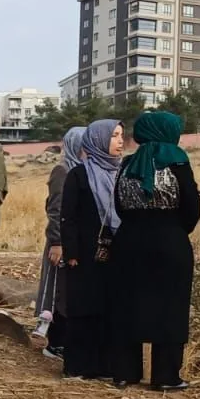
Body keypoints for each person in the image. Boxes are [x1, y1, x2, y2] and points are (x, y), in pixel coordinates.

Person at [107, 111, 200, 391]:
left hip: (128, 241)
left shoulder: (127, 164)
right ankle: (165, 376)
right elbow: (191, 209)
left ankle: (125, 372)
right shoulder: (178, 161)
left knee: (127, 305)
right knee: (170, 308)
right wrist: (172, 229)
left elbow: (119, 206)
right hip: (169, 242)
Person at [58, 119, 123, 380]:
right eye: (115, 136)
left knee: (109, 308)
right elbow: (68, 216)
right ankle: (78, 365)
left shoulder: (122, 172)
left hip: (115, 253)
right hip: (84, 254)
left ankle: (105, 366)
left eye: (121, 135)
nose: (120, 141)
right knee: (84, 308)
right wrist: (71, 252)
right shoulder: (79, 174)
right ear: (98, 139)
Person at [34, 126, 85, 356]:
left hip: (73, 240)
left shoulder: (82, 170)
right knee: (57, 290)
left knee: (68, 290)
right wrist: (56, 242)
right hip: (61, 242)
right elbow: (55, 209)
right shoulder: (62, 170)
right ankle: (55, 343)